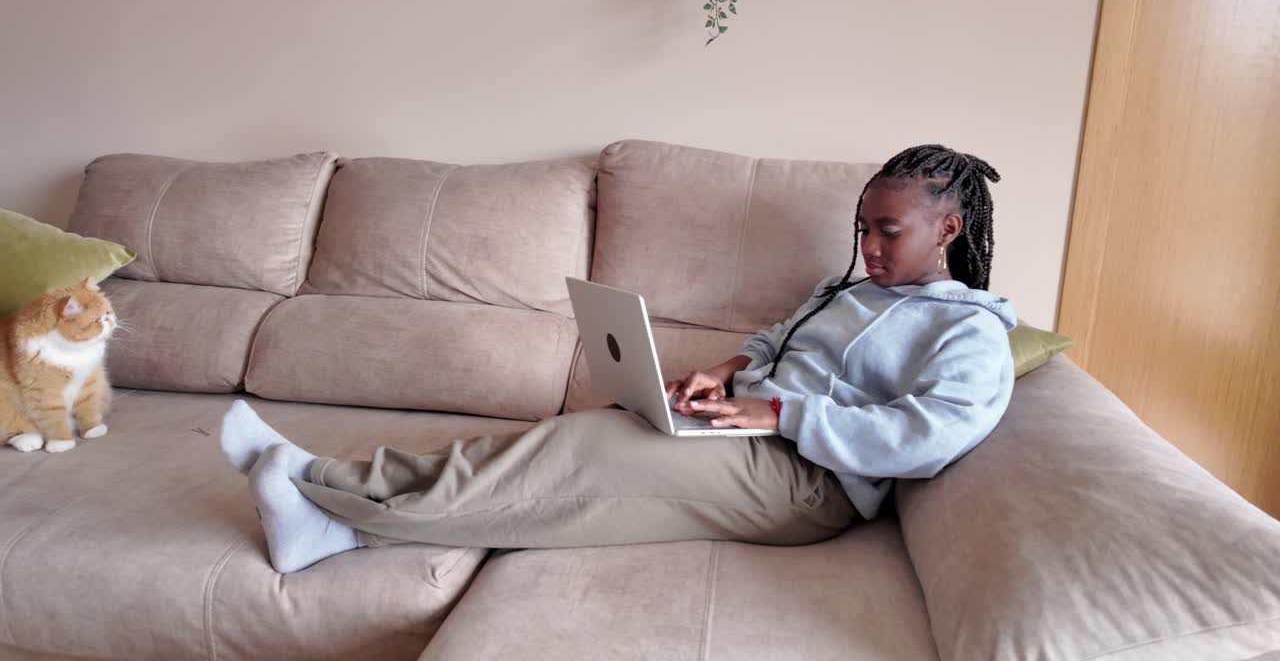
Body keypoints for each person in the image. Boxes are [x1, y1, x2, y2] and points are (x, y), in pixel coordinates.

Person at [220, 144, 1017, 573]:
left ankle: (330, 501)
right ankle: (331, 502)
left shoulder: (970, 333)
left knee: (579, 454)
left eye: (888, 231)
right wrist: (727, 372)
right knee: (555, 443)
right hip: (746, 430)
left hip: (809, 481)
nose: (869, 246)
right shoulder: (847, 291)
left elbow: (927, 436)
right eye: (864, 228)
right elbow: (780, 338)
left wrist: (780, 411)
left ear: (948, 230)